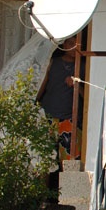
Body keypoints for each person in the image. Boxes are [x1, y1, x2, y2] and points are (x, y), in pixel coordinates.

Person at [37, 35, 81, 174]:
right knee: (44, 159)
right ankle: (42, 195)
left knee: (69, 161)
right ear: (63, 45)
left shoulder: (84, 65)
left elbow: (89, 95)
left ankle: (70, 194)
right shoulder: (52, 62)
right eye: (70, 43)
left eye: (77, 43)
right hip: (48, 115)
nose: (74, 46)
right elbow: (42, 85)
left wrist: (77, 85)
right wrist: (32, 103)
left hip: (70, 119)